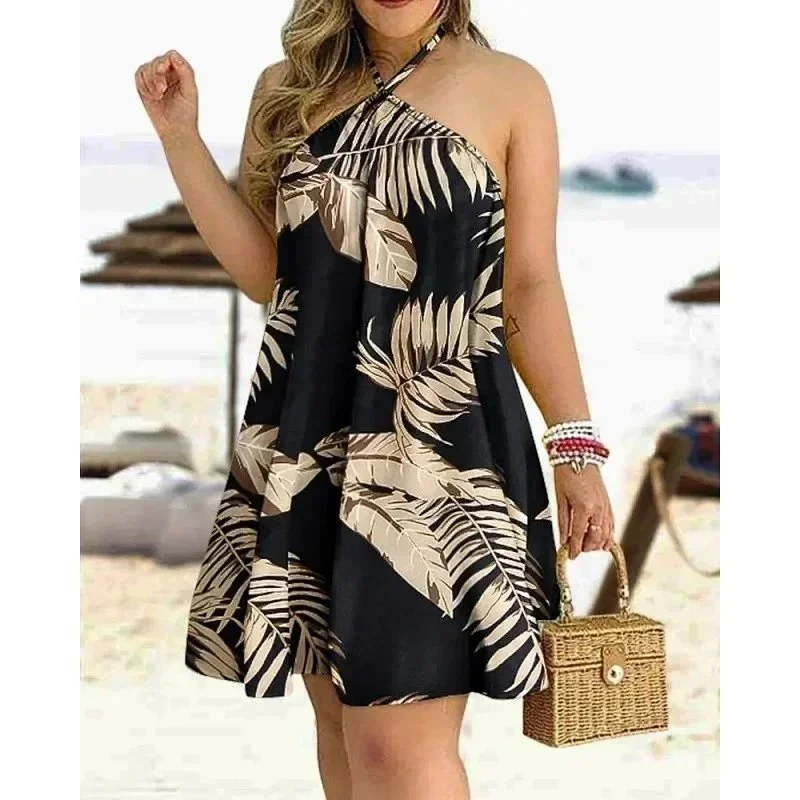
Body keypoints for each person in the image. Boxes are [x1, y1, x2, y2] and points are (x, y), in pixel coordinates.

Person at [135, 1, 615, 798]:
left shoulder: (509, 87)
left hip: (445, 443)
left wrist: (575, 448)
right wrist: (180, 139)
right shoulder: (287, 87)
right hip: (310, 436)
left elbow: (529, 282)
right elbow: (267, 275)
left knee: (394, 746)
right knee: (342, 739)